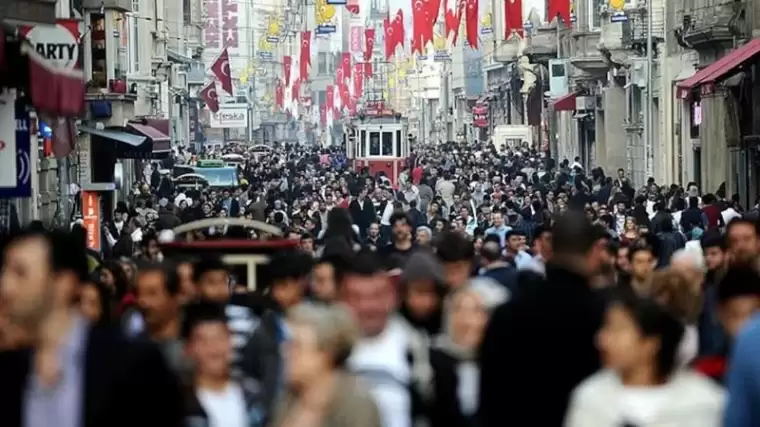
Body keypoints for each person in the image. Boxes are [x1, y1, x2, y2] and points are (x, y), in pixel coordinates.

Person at [0, 228, 183, 427]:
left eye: (20, 273)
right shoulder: (9, 370)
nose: (6, 286)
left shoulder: (133, 365)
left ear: (64, 282)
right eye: (4, 272)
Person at [479, 211, 607, 427]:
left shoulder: (509, 313)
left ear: (547, 249)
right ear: (595, 253)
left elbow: (490, 397)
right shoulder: (609, 315)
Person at [565, 290, 724, 425]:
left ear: (651, 344)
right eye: (605, 329)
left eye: (617, 330)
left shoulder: (703, 404)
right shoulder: (591, 399)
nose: (602, 339)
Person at [270, 303, 382, 427]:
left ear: (325, 354)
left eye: (296, 346)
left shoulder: (357, 405)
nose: (285, 352)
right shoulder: (288, 398)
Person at [181, 301, 266, 427]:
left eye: (220, 338)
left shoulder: (253, 395)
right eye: (204, 341)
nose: (214, 349)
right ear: (188, 348)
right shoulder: (179, 405)